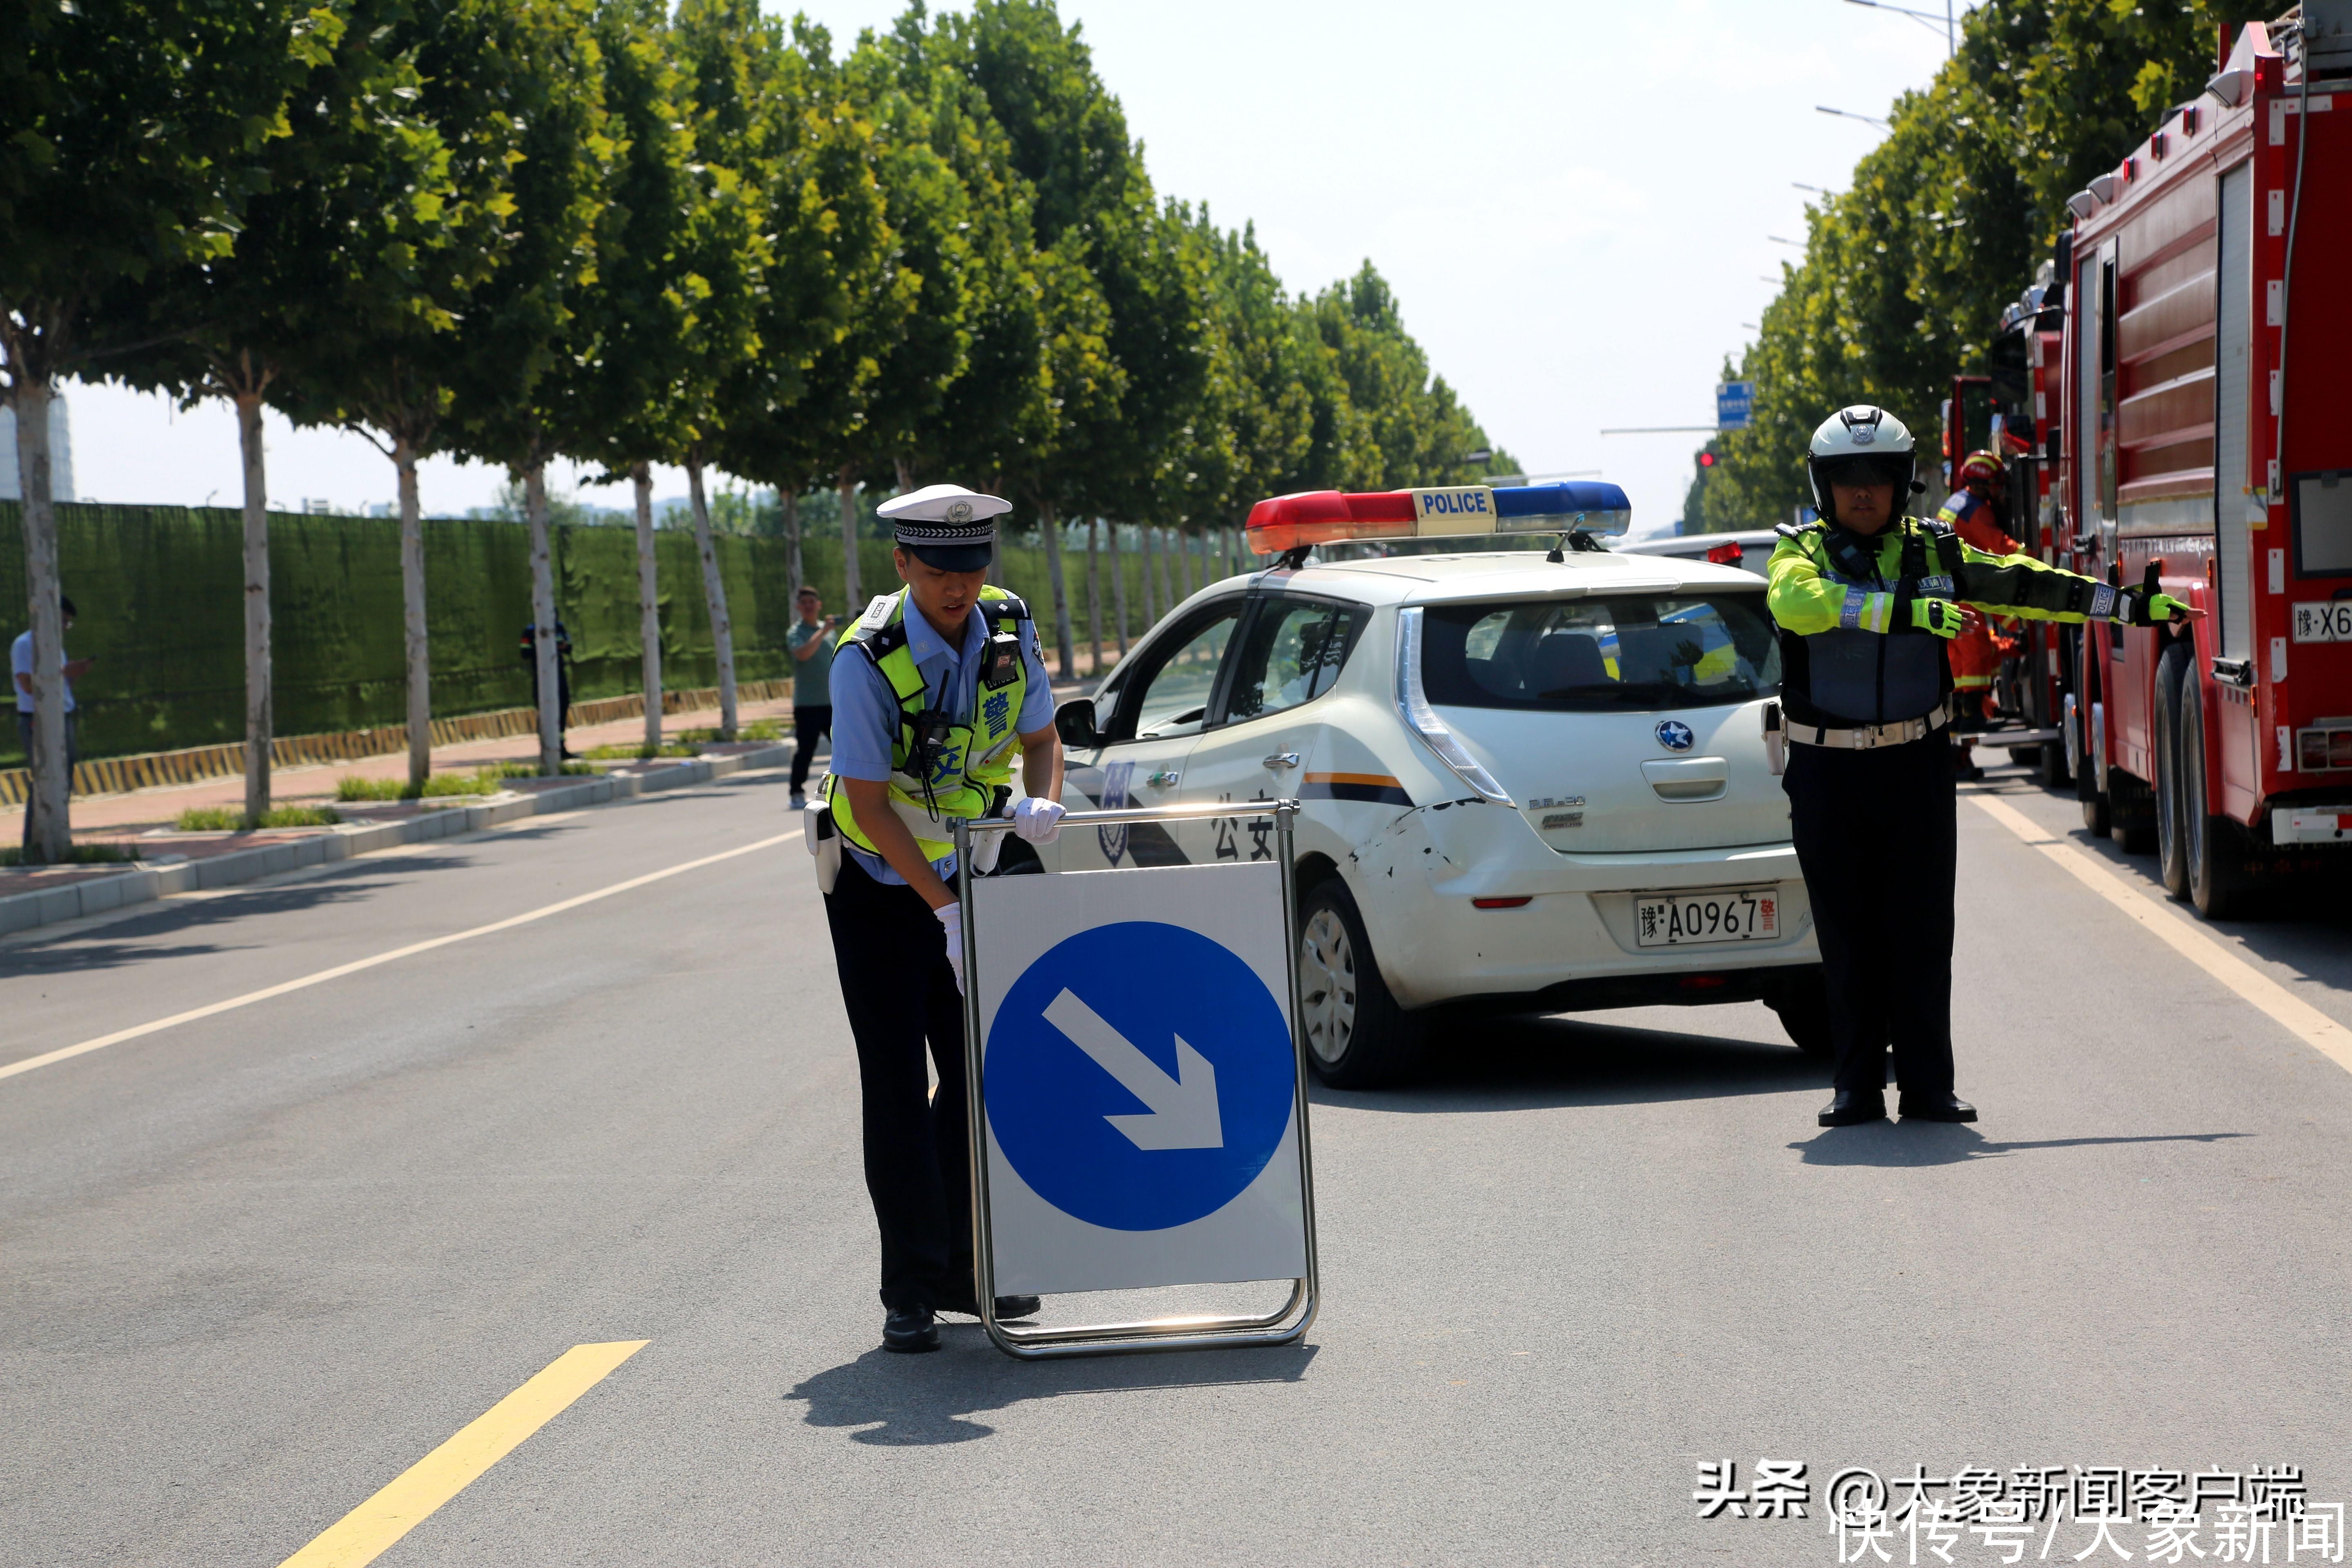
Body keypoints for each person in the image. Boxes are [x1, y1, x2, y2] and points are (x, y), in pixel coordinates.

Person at [1767, 406, 2193, 1129]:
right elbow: (1798, 605)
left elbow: (2025, 584)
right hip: (1828, 773)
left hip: (1917, 767)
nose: (1863, 493)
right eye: (1847, 480)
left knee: (1923, 929)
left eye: (1879, 478)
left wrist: (2125, 605)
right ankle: (1856, 1089)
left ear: (1903, 484)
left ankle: (1929, 1087)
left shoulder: (1936, 553)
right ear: (1822, 486)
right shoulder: (1798, 555)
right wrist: (1904, 614)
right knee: (1847, 933)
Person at [814, 483, 1066, 1353]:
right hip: (878, 887)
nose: (956, 587)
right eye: (936, 569)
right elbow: (872, 805)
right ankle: (909, 1289)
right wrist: (947, 912)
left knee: (977, 1073)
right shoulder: (866, 658)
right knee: (892, 1084)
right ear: (902, 563)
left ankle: (965, 1264)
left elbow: (1042, 739)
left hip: (972, 869)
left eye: (971, 565)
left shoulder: (1007, 626)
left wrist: (1042, 805)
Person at [1936, 450, 2025, 777]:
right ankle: (1971, 711)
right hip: (1965, 586)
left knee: (1958, 656)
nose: (2000, 490)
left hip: (1947, 586)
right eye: (1997, 483)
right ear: (1984, 484)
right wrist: (2031, 553)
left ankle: (1962, 715)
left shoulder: (1958, 501)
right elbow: (2000, 546)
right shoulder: (1978, 511)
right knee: (1975, 651)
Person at [13, 595, 92, 854]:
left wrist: (72, 675)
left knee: (63, 779)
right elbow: (27, 685)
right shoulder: (27, 644)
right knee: (46, 779)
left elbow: (60, 684)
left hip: (63, 716)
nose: (64, 628)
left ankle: (57, 839)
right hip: (38, 719)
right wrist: (63, 672)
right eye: (62, 621)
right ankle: (34, 844)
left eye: (67, 624)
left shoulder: (54, 646)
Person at [786, 587, 837, 806]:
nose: (808, 606)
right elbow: (803, 654)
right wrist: (823, 632)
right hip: (807, 705)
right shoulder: (796, 633)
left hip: (832, 703)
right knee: (805, 751)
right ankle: (796, 792)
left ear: (819, 605)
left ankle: (843, 788)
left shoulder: (830, 632)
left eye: (812, 602)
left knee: (845, 746)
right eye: (804, 603)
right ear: (799, 607)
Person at [518, 619, 575, 758]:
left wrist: (562, 647)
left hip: (559, 675)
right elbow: (524, 652)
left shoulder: (559, 627)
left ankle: (561, 748)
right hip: (542, 676)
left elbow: (569, 647)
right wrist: (544, 649)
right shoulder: (531, 630)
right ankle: (547, 748)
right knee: (545, 711)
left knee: (562, 708)